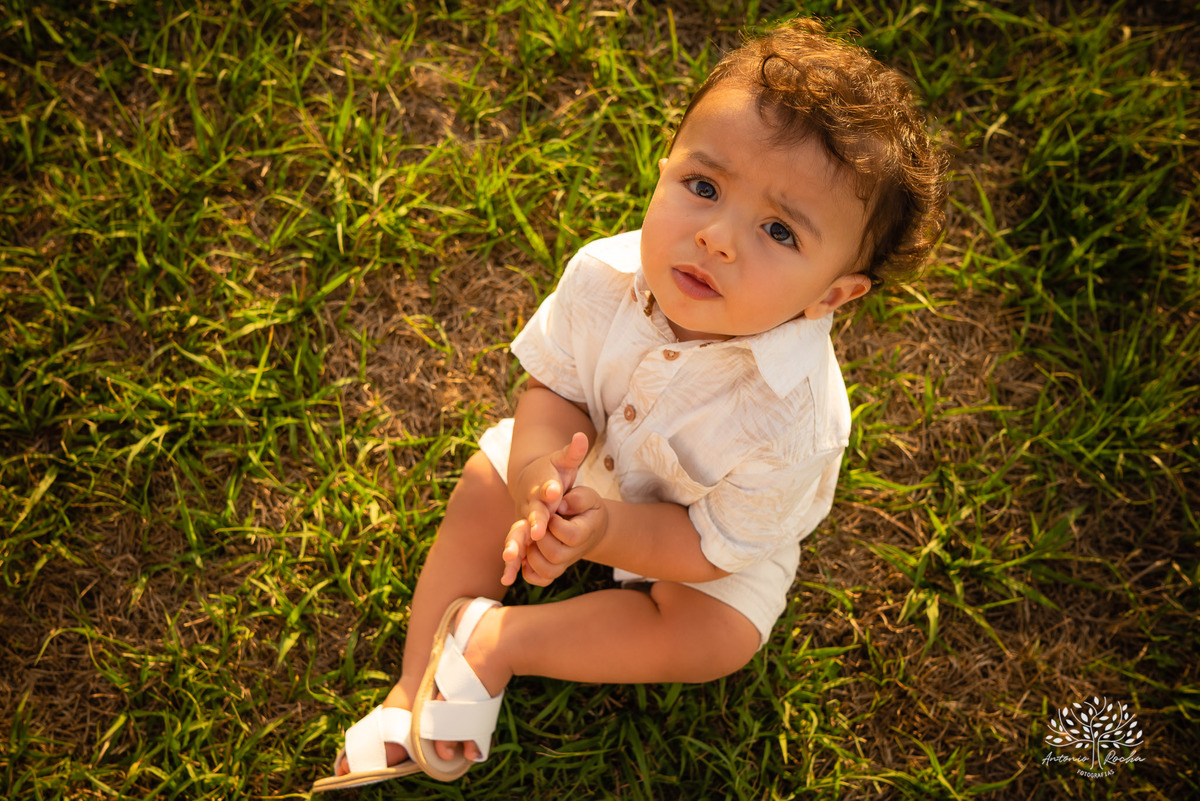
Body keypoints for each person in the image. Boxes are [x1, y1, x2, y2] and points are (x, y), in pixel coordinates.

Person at [313, 15, 946, 791]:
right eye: (704, 187)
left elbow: (708, 548)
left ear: (834, 294)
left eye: (779, 230)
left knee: (719, 634)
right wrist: (543, 482)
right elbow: (554, 391)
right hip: (594, 461)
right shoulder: (604, 276)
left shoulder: (797, 422)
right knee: (488, 480)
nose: (717, 237)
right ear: (664, 168)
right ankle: (412, 687)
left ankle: (499, 639)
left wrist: (605, 532)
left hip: (707, 536)